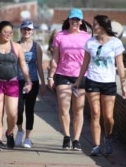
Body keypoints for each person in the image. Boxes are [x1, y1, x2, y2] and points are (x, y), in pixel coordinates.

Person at [74, 15, 126, 156]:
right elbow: (85, 64)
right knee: (95, 114)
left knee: (108, 117)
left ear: (103, 26)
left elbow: (120, 65)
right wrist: (79, 80)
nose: (94, 27)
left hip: (109, 82)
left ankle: (108, 138)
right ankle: (96, 145)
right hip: (93, 80)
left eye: (96, 24)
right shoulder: (90, 43)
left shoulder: (115, 43)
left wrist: (123, 84)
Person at [0, 21, 32, 151]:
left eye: (10, 32)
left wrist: (28, 81)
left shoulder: (17, 47)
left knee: (13, 113)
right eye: (5, 32)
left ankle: (9, 132)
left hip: (12, 82)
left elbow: (23, 65)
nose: (8, 34)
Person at [48, 8, 92, 151]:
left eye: (77, 19)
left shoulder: (87, 37)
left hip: (81, 76)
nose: (75, 22)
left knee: (78, 110)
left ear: (81, 22)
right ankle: (67, 137)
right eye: (72, 19)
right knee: (64, 108)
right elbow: (55, 58)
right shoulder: (60, 36)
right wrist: (50, 76)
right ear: (68, 20)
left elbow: (90, 59)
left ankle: (77, 139)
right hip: (63, 75)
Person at [15, 20, 46, 148]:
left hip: (32, 82)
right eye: (24, 29)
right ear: (21, 30)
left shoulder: (36, 47)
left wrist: (43, 83)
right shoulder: (15, 45)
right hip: (18, 81)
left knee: (29, 109)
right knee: (18, 109)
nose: (27, 32)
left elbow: (39, 65)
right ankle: (20, 130)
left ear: (32, 31)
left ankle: (28, 137)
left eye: (29, 30)